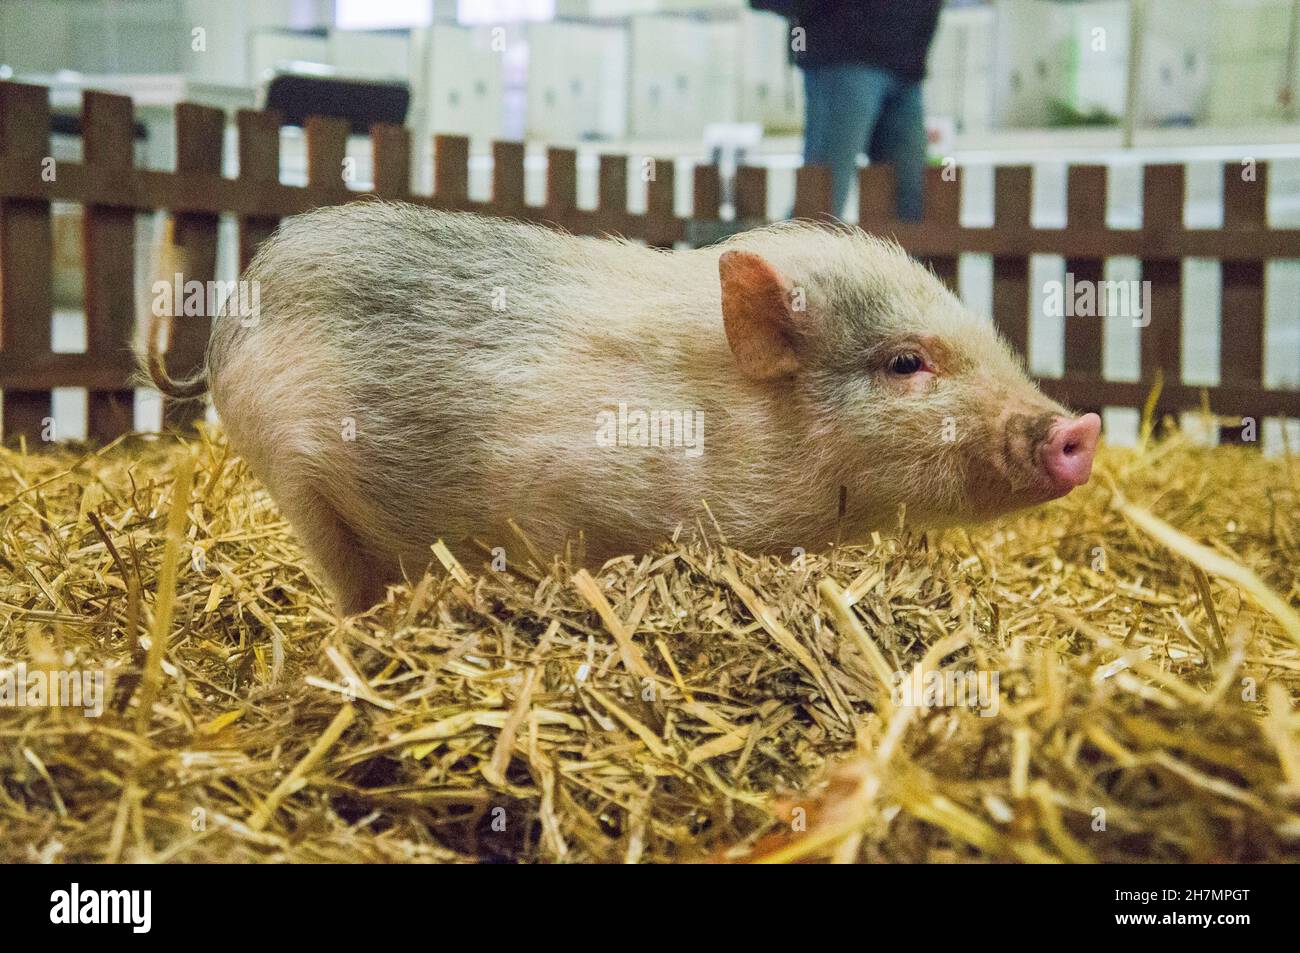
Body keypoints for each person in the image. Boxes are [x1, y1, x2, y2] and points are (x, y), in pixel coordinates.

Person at [788, 0, 944, 222]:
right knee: (824, 202)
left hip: (907, 60)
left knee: (911, 205)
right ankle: (762, 254)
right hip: (842, 54)